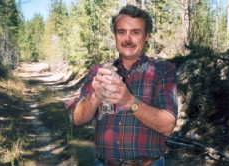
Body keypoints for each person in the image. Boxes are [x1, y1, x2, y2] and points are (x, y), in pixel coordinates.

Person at [65, 4, 178, 166]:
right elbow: (77, 119)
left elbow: (168, 125)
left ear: (146, 35)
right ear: (115, 35)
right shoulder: (100, 71)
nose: (127, 39)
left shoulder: (162, 69)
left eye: (135, 32)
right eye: (121, 32)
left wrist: (128, 101)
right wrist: (95, 96)